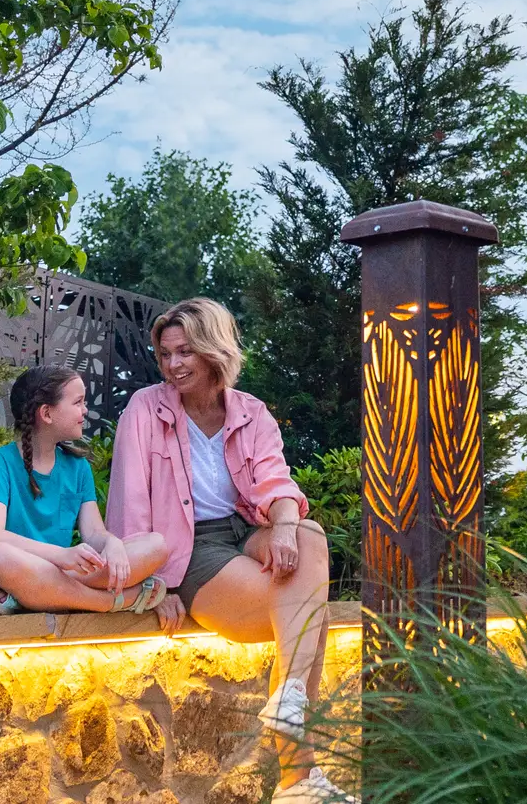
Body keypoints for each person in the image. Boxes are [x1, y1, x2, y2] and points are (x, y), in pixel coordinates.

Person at [107, 298, 347, 804]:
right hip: (188, 549)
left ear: (215, 350)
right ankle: (298, 779)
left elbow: (276, 483)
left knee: (310, 535)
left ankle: (291, 715)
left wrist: (283, 527)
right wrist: (154, 585)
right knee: (309, 617)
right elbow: (129, 502)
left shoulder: (251, 412)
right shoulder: (145, 410)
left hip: (245, 530)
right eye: (166, 353)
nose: (174, 365)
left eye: (186, 352)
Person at [0, 365, 169, 616]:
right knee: (0, 556)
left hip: (55, 574)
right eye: (78, 402)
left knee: (156, 544)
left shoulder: (78, 467)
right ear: (46, 413)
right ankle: (109, 602)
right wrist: (62, 555)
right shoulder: (1, 462)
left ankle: (37, 595)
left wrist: (112, 544)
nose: (85, 411)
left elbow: (93, 533)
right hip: (3, 573)